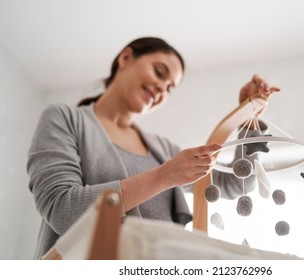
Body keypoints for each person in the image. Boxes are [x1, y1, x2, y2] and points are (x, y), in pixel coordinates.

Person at [27, 37, 280, 259]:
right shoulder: (65, 119)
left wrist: (247, 121)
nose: (162, 89)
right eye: (160, 72)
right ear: (126, 57)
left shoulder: (163, 148)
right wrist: (164, 176)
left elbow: (234, 184)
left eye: (170, 88)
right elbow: (61, 209)